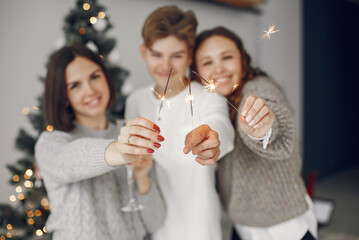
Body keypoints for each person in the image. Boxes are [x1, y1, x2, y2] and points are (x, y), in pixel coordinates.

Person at [192, 26, 318, 240]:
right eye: (207, 62)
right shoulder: (214, 103)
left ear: (243, 59)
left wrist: (262, 130)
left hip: (285, 226)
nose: (219, 68)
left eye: (227, 57)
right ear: (196, 71)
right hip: (243, 224)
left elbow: (271, 115)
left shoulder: (259, 87)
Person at [35, 44, 166, 240]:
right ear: (64, 97)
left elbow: (155, 221)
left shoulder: (127, 137)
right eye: (75, 85)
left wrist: (142, 178)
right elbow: (73, 158)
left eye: (95, 77)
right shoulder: (51, 143)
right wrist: (119, 151)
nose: (90, 90)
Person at [125, 6, 235, 240]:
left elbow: (221, 129)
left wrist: (213, 139)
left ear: (189, 54)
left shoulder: (208, 98)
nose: (166, 65)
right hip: (155, 228)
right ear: (144, 52)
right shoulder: (135, 101)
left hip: (200, 228)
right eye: (156, 54)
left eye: (176, 55)